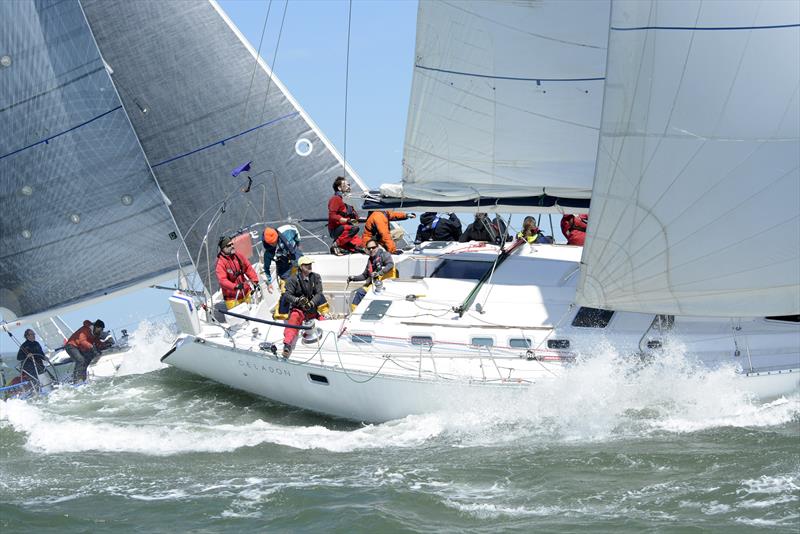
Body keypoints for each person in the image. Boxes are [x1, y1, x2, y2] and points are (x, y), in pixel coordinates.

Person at [281, 256, 326, 358]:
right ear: (301, 267)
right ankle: (287, 345)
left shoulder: (316, 277)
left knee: (324, 321)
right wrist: (297, 300)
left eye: (310, 264)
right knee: (292, 322)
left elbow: (319, 293)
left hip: (312, 309)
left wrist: (311, 303)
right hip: (298, 309)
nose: (310, 266)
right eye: (307, 265)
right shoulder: (292, 280)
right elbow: (287, 295)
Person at [347, 240, 397, 310]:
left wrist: (379, 273)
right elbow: (365, 275)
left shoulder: (385, 254)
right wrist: (353, 278)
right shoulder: (370, 260)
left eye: (373, 247)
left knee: (360, 292)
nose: (371, 249)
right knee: (358, 292)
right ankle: (354, 312)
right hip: (374, 284)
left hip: (385, 283)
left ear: (377, 247)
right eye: (369, 248)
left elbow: (390, 264)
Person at [215, 236, 260, 309]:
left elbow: (248, 267)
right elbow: (222, 280)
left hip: (246, 292)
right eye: (229, 245)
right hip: (232, 298)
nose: (232, 246)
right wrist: (234, 286)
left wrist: (255, 281)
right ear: (223, 248)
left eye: (232, 244)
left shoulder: (238, 255)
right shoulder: (220, 263)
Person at [327, 176, 364, 254]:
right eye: (346, 185)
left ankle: (342, 245)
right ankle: (336, 245)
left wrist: (363, 219)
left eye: (349, 185)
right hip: (337, 230)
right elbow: (332, 216)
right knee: (354, 228)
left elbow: (355, 216)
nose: (349, 187)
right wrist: (347, 220)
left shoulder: (348, 201)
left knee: (361, 246)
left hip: (347, 230)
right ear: (339, 188)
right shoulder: (336, 199)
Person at [262, 224, 303, 293]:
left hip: (293, 251)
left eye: (276, 240)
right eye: (272, 243)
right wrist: (269, 282)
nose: (275, 243)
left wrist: (298, 242)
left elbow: (295, 230)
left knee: (303, 265)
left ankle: (304, 284)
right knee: (285, 282)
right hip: (282, 262)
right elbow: (265, 268)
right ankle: (289, 293)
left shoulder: (286, 230)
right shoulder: (267, 253)